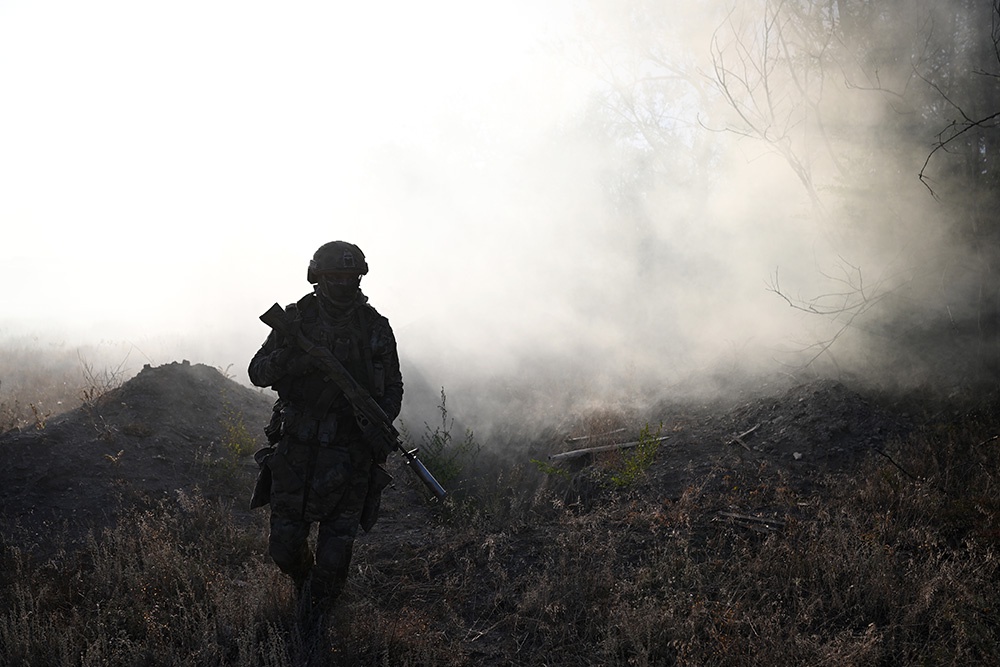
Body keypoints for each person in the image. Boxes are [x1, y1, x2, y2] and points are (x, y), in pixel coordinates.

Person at [248, 240, 403, 610]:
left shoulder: (374, 328)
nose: (344, 284)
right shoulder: (295, 321)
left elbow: (393, 388)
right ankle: (303, 584)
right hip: (296, 453)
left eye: (352, 277)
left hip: (349, 458)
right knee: (284, 550)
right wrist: (292, 357)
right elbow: (257, 372)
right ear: (317, 277)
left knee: (333, 568)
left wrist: (375, 421)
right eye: (336, 277)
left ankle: (315, 618)